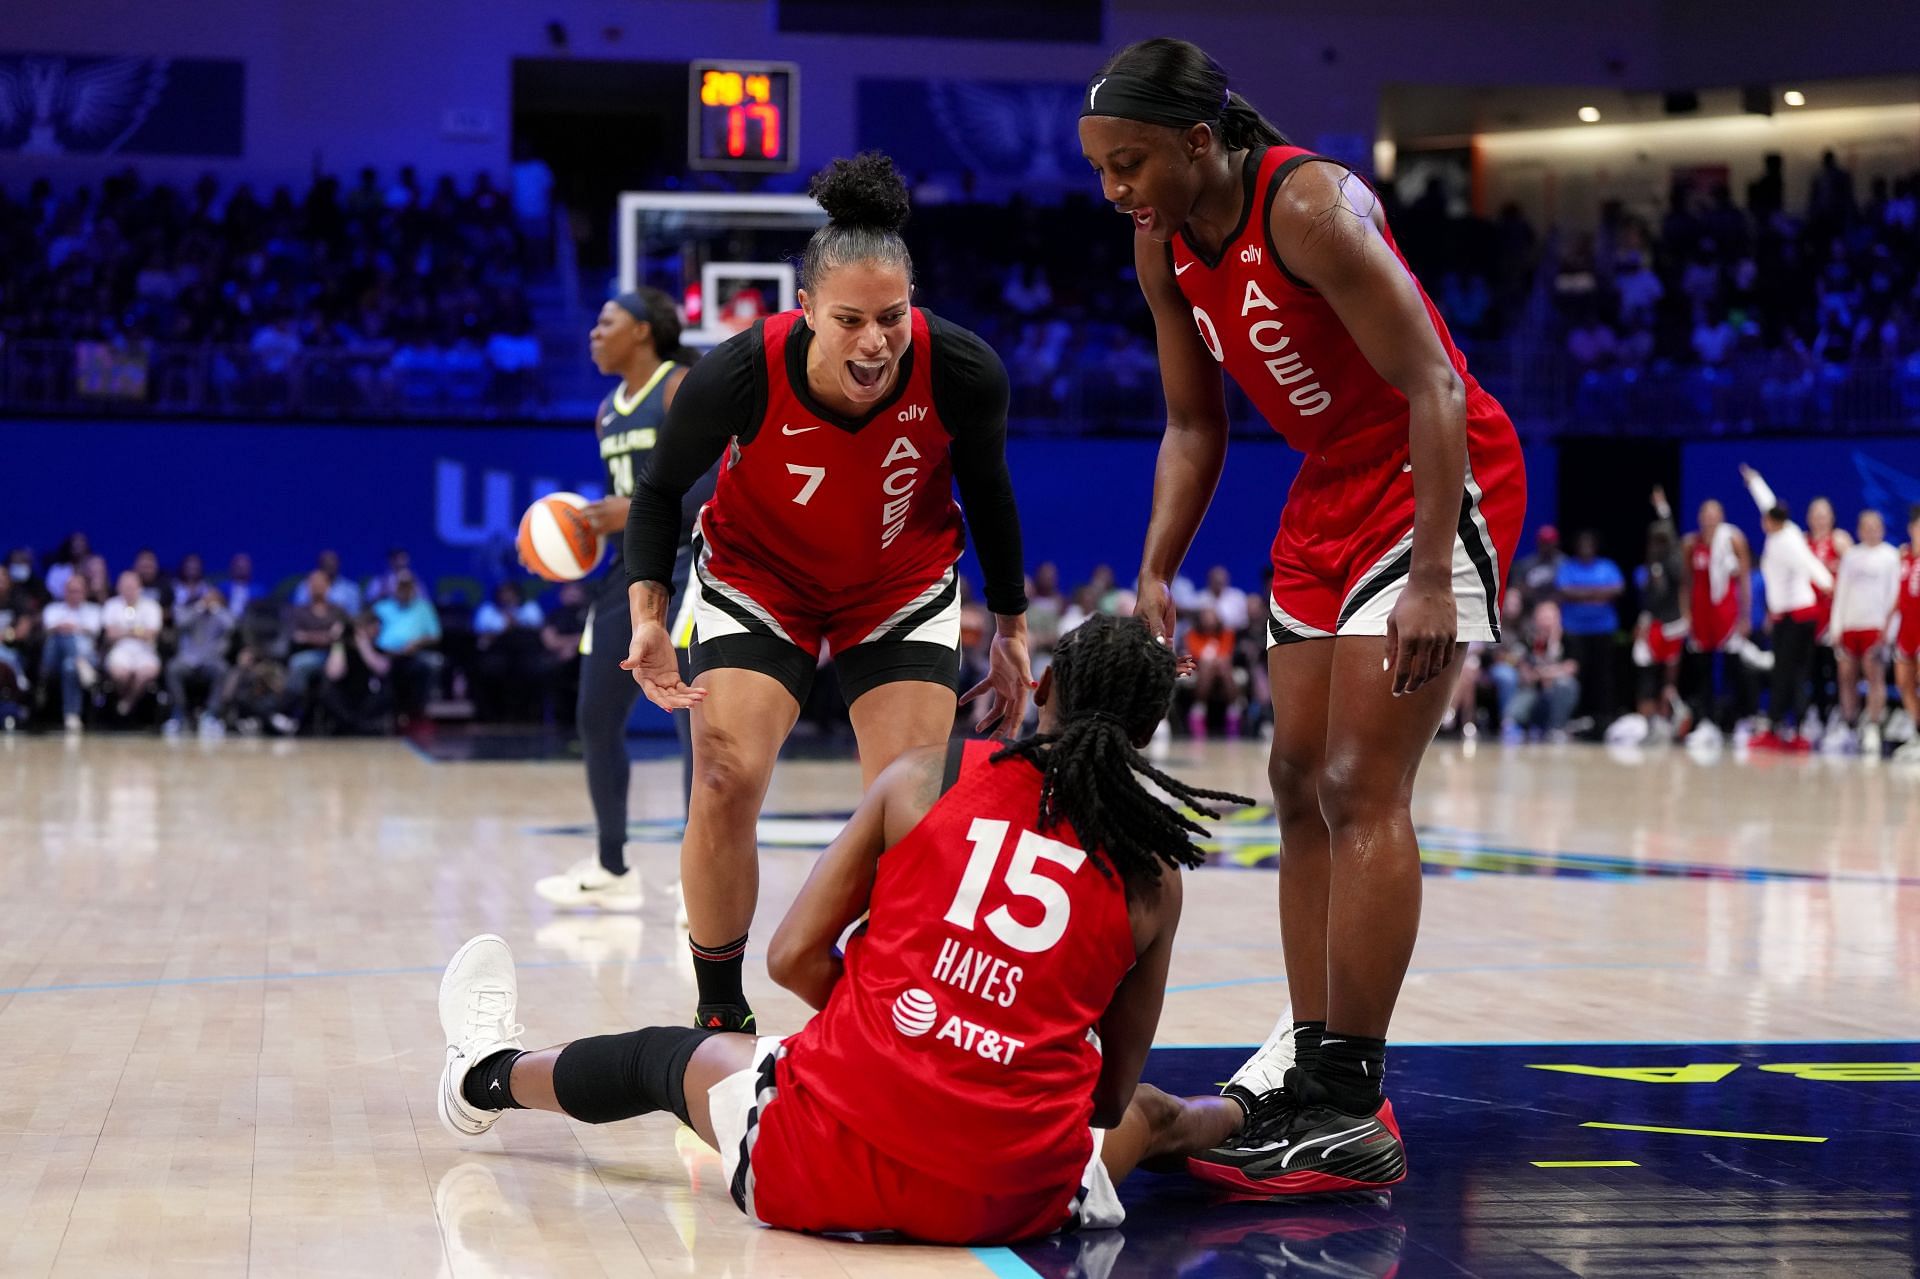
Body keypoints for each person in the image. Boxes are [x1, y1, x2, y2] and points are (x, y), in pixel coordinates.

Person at [435, 616, 1273, 1242]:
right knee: (1156, 1114)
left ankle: (482, 1078)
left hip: (818, 1165)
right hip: (1007, 1200)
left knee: (667, 1059)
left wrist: (900, 1015)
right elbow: (1107, 1098)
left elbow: (792, 956)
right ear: (1152, 731)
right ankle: (1257, 1106)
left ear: (1044, 689)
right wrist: (982, 1037)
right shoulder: (1154, 874)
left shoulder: (930, 772)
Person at [1079, 39, 1525, 1190]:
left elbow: (1431, 380)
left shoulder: (1310, 205)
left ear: (1196, 142)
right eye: (1101, 168)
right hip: (1330, 482)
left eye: (1130, 162)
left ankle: (1354, 1102)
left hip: (1437, 471)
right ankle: (1314, 1060)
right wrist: (1157, 568)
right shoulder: (1160, 245)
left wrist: (1433, 572)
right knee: (1292, 779)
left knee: (1358, 783)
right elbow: (1193, 424)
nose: (1115, 188)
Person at [618, 153, 1034, 1031]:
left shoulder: (962, 369)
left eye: (892, 318)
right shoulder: (738, 372)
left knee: (912, 803)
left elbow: (990, 493)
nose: (876, 341)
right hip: (759, 577)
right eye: (850, 319)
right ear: (805, 310)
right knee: (726, 775)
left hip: (898, 580)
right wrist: (649, 616)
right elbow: (657, 492)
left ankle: (888, 1011)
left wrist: (1011, 625)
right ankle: (720, 1016)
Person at [530, 288, 709, 912]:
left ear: (641, 331)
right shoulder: (607, 410)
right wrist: (575, 539)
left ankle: (700, 881)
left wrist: (628, 511)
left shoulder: (677, 387)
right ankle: (612, 869)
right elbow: (616, 510)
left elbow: (716, 483)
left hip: (692, 566)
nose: (593, 333)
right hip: (629, 575)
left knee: (694, 728)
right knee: (595, 717)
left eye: (605, 322)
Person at [1741, 465, 1832, 751]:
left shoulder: (1787, 542)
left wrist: (1826, 581)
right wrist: (1756, 481)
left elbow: (1807, 562)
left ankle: (1787, 728)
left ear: (1771, 522)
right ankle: (1790, 728)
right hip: (1788, 616)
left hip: (1798, 617)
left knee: (1787, 672)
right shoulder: (1786, 528)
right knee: (1790, 672)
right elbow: (1769, 503)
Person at [1680, 498, 1755, 744]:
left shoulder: (1734, 540)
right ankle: (1705, 721)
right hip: (1701, 615)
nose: (1710, 519)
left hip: (1727, 612)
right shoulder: (1691, 543)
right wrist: (1686, 614)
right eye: (1706, 514)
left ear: (1721, 517)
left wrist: (1745, 616)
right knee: (1702, 671)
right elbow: (1685, 583)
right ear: (1700, 517)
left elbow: (1744, 580)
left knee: (1733, 669)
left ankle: (1735, 721)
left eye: (1714, 514)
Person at [1828, 509, 1901, 755]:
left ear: (1881, 529)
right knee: (1846, 676)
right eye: (1865, 526)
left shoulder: (1891, 557)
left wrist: (1888, 633)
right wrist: (1836, 626)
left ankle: (1873, 726)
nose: (1870, 530)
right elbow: (1841, 593)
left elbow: (1895, 596)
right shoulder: (1852, 557)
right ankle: (1849, 726)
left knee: (1874, 676)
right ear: (1859, 529)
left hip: (1875, 626)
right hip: (1850, 625)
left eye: (1875, 526)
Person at [1630, 488, 1688, 739]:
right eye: (1656, 541)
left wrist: (1663, 507)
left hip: (1673, 624)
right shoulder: (1649, 565)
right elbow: (1649, 600)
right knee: (1646, 673)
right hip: (1653, 625)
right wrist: (1642, 623)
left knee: (1668, 678)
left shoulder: (1674, 562)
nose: (1660, 545)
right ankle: (1646, 722)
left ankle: (1669, 719)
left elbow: (1671, 535)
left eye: (1664, 541)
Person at [1555, 530, 1624, 735]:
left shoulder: (1607, 566)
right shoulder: (1568, 567)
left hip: (1603, 630)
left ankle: (1603, 717)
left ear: (1595, 547)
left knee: (1603, 677)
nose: (1586, 548)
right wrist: (1598, 593)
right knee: (1577, 675)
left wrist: (1581, 593)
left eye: (1589, 544)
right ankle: (1577, 717)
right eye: (1582, 544)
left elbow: (1617, 589)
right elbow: (1564, 591)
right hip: (1575, 631)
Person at [164, 587, 234, 736]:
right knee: (173, 669)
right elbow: (181, 623)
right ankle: (179, 714)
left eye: (213, 598)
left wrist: (216, 610)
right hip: (188, 661)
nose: (209, 601)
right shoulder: (191, 612)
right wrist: (199, 608)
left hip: (211, 662)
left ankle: (211, 716)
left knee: (222, 670)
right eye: (206, 598)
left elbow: (231, 626)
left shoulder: (222, 616)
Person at [40, 574, 101, 733]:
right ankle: (79, 662)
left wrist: (66, 627)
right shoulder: (52, 609)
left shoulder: (94, 610)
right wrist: (71, 629)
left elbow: (95, 630)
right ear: (64, 591)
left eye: (78, 591)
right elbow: (48, 629)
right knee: (60, 637)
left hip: (88, 658)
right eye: (71, 591)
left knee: (69, 666)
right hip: (52, 659)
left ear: (85, 592)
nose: (74, 595)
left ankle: (71, 715)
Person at [101, 570, 164, 717]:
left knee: (145, 673)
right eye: (125, 586)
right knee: (121, 674)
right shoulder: (111, 605)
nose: (129, 590)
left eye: (132, 586)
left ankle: (128, 703)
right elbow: (110, 634)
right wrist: (137, 632)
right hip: (120, 650)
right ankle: (126, 702)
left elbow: (152, 633)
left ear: (139, 587)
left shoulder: (151, 606)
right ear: (119, 587)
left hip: (145, 651)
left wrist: (124, 632)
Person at [1891, 507, 1920, 763]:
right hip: (1906, 631)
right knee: (1904, 682)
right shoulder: (1902, 557)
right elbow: (1895, 597)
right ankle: (1918, 733)